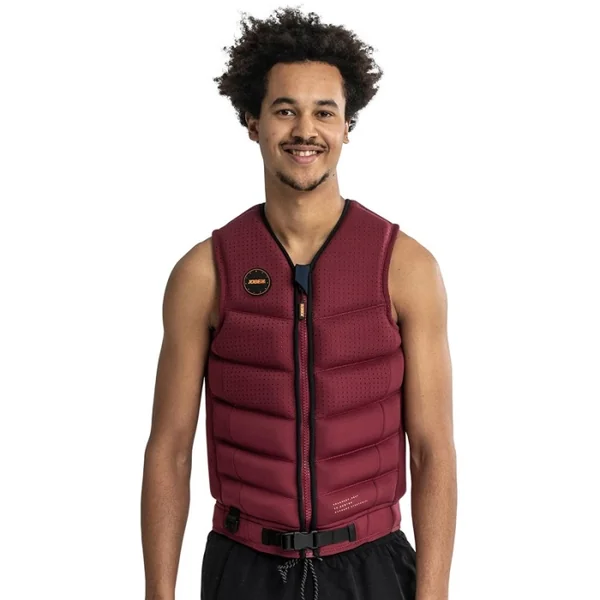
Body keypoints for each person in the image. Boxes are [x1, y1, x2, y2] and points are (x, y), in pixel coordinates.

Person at [141, 7, 456, 600]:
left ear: (347, 126)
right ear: (252, 121)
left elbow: (432, 450)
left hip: (372, 568)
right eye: (285, 110)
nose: (305, 130)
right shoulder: (203, 273)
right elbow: (170, 450)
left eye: (324, 112)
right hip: (245, 567)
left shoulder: (407, 268)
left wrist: (434, 594)